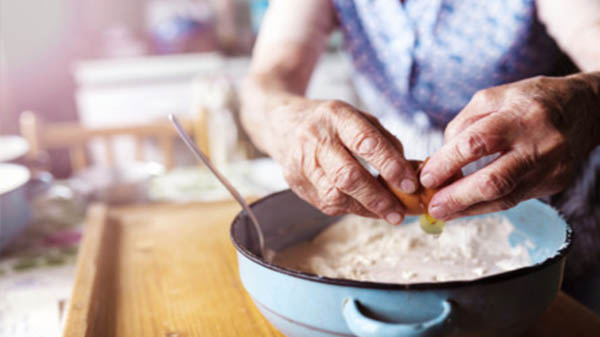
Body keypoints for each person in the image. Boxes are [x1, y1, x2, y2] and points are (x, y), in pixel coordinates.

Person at [240, 0, 600, 292]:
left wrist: (587, 98)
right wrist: (286, 120)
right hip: (387, 205)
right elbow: (267, 82)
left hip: (545, 197)